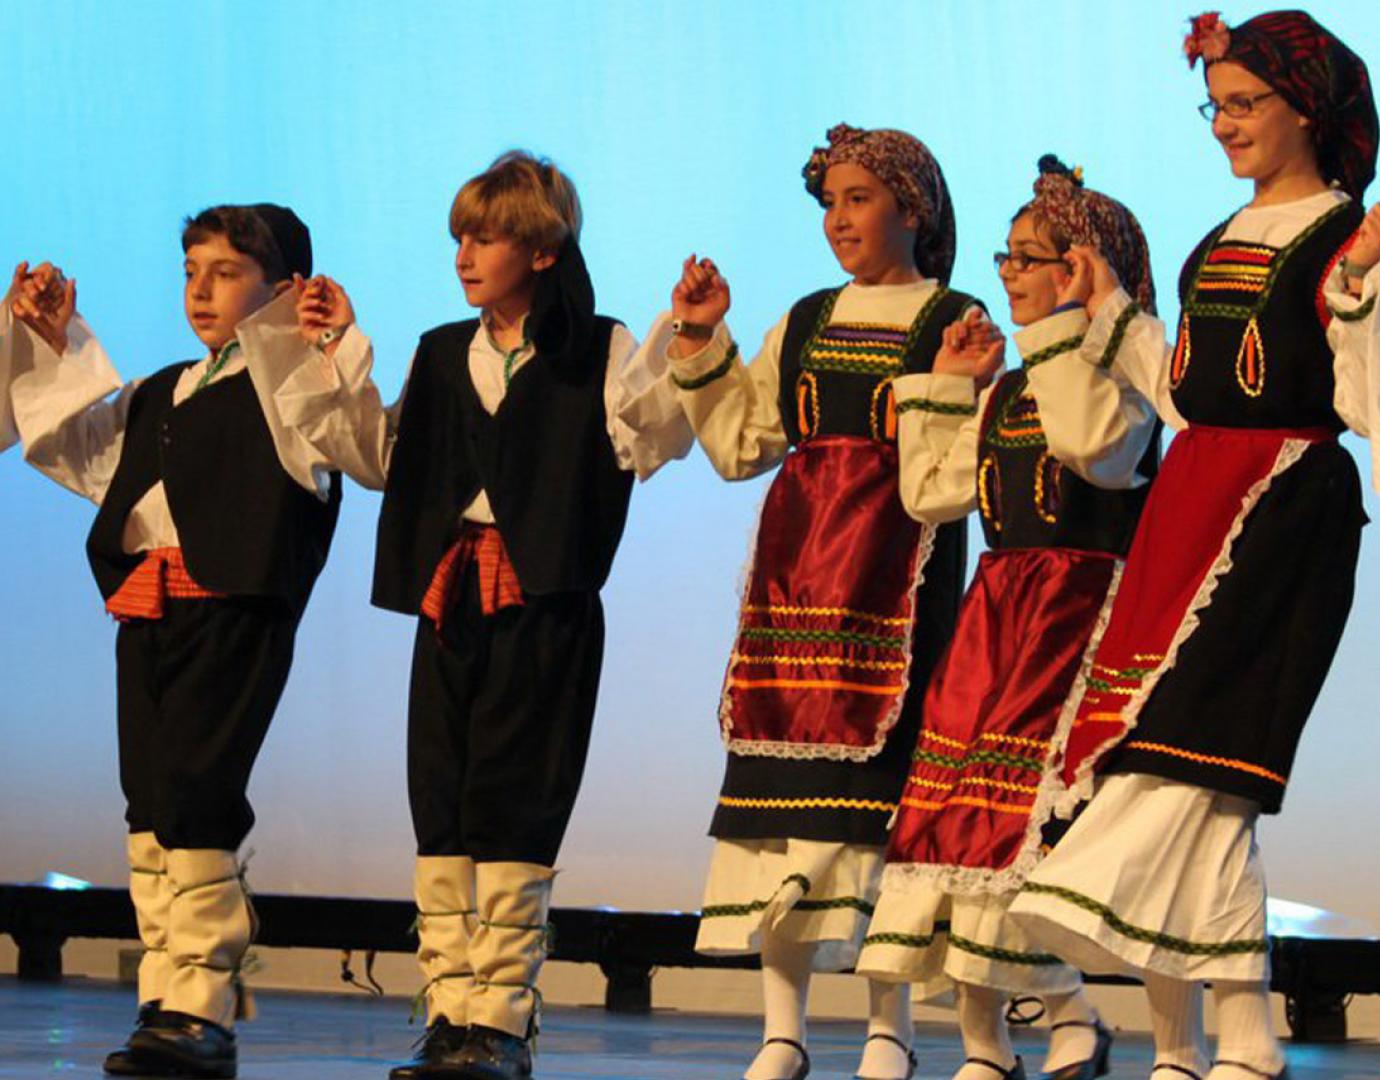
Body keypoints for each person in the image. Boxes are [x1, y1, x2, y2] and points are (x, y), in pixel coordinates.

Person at [1008, 13, 1380, 1080]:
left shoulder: (1355, 232)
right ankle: (1216, 1043)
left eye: (1245, 104)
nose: (1225, 126)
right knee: (1190, 775)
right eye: (1217, 105)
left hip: (1283, 511)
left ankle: (1098, 931)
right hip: (1189, 508)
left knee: (1196, 766)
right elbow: (1186, 392)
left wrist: (1357, 294)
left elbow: (1379, 404)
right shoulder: (1216, 239)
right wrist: (1106, 313)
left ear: (1308, 109)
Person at [258, 150, 692, 1080]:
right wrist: (335, 351)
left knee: (515, 803)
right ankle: (451, 1009)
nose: (466, 253)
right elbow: (382, 456)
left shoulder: (600, 347)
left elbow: (653, 436)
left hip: (544, 603)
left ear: (541, 249)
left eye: (486, 236)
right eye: (461, 235)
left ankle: (499, 1018)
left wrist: (686, 342)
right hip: (452, 596)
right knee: (443, 800)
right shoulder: (441, 352)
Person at [651, 123, 982, 1080]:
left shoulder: (950, 318)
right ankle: (783, 1030)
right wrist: (702, 337)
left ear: (911, 208)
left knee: (877, 815)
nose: (839, 219)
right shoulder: (803, 318)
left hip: (898, 583)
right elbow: (743, 445)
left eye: (859, 199)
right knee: (773, 806)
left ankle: (890, 1028)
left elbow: (949, 476)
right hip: (796, 584)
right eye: (830, 201)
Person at [3, 204, 342, 1079]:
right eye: (192, 269)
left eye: (226, 272)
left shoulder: (293, 383)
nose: (200, 288)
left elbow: (327, 433)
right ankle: (168, 995)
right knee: (151, 803)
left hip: (233, 607)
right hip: (152, 610)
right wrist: (55, 337)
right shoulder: (169, 388)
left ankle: (202, 1004)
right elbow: (82, 451)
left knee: (197, 793)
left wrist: (302, 335)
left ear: (282, 288)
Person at [856, 154, 1159, 1080]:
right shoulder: (1016, 385)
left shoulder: (1119, 374)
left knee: (1018, 840)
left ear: (1085, 272)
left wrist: (1065, 335)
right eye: (1011, 256)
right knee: (949, 828)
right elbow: (934, 494)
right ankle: (988, 1044)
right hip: (997, 620)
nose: (1010, 275)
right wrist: (948, 389)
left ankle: (1069, 1014)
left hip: (1076, 625)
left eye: (1035, 259)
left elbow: (1093, 452)